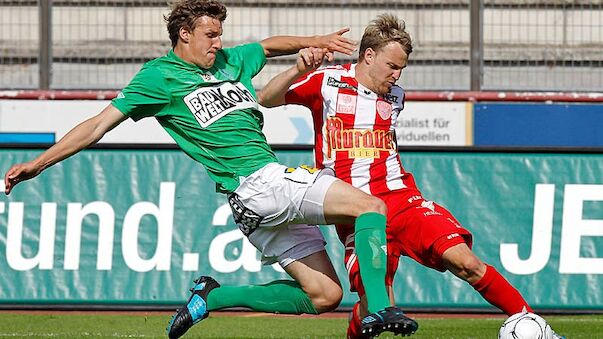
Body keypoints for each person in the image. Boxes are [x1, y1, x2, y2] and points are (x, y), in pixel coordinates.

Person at [3, 2, 418, 339]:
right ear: (184, 34)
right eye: (210, 34)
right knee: (371, 207)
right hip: (258, 184)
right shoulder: (158, 78)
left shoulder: (227, 62)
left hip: (256, 202)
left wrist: (312, 43)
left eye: (220, 34)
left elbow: (266, 47)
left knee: (324, 296)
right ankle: (378, 310)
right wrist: (39, 164)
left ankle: (212, 298)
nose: (219, 43)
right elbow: (97, 125)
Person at [258, 13, 565, 339]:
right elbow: (267, 97)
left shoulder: (395, 96)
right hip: (355, 211)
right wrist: (297, 70)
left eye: (402, 67)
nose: (397, 74)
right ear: (369, 55)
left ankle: (538, 329)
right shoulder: (327, 82)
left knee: (466, 263)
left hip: (403, 200)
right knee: (374, 307)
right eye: (392, 66)